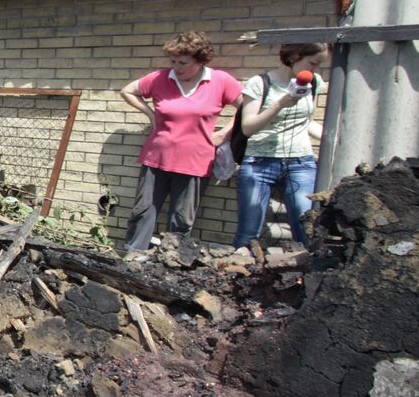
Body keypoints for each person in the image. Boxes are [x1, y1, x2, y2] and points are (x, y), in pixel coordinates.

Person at [119, 31, 243, 256]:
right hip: (157, 157)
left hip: (195, 161)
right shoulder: (160, 78)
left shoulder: (220, 81)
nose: (177, 67)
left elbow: (247, 108)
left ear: (201, 60)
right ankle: (132, 257)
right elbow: (127, 91)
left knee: (182, 217)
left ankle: (172, 260)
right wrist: (150, 114)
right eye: (173, 61)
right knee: (143, 211)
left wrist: (224, 134)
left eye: (183, 62)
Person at [232, 43, 329, 250]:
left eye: (319, 65)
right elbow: (248, 128)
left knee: (306, 225)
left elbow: (307, 121)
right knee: (249, 231)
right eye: (312, 63)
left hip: (300, 162)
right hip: (259, 162)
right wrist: (279, 104)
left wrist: (331, 140)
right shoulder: (260, 83)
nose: (316, 70)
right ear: (294, 56)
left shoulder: (314, 82)